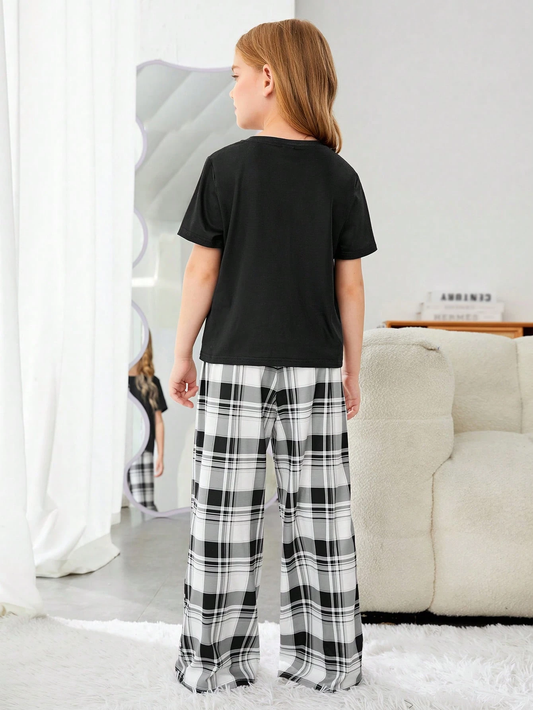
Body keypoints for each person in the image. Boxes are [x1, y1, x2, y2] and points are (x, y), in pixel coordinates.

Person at [169, 18, 377, 694]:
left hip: (233, 363)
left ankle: (213, 663)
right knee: (321, 521)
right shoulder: (339, 176)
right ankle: (329, 661)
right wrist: (351, 368)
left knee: (223, 521)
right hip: (315, 368)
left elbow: (201, 273)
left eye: (235, 76)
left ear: (267, 78)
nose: (230, 91)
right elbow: (350, 286)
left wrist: (181, 352)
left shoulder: (225, 168)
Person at [127, 330, 168, 511]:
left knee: (143, 504)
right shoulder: (117, 382)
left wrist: (160, 455)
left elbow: (158, 421)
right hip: (119, 450)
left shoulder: (152, 383)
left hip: (143, 451)